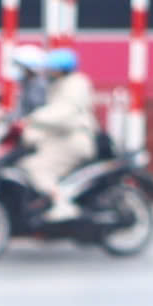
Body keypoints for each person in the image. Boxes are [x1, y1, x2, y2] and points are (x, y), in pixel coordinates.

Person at [19, 46, 96, 219]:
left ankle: (62, 205)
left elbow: (62, 113)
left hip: (73, 140)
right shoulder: (60, 85)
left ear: (60, 70)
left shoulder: (74, 86)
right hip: (62, 138)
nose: (47, 72)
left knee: (36, 166)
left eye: (50, 68)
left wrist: (33, 119)